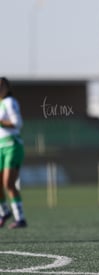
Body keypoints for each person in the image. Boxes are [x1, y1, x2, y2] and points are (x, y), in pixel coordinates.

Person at [0, 77, 26, 229]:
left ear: (7, 88)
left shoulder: (10, 102)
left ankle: (20, 218)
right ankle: (4, 212)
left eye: (1, 86)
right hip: (0, 147)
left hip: (12, 145)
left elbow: (18, 123)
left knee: (8, 183)